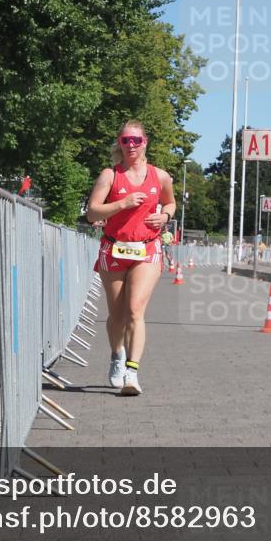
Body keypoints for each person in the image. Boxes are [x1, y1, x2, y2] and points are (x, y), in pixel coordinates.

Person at [86, 121, 176, 396]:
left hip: (147, 250)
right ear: (120, 144)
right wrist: (121, 204)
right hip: (114, 249)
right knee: (117, 316)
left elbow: (170, 202)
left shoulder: (160, 176)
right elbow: (92, 213)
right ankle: (116, 355)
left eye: (136, 140)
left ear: (145, 142)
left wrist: (166, 216)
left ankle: (132, 373)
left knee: (136, 311)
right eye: (126, 141)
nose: (131, 146)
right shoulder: (109, 176)